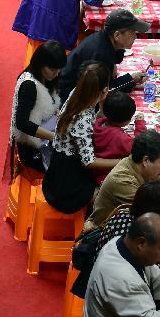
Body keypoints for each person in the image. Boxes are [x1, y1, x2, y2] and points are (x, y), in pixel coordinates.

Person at [72, 181, 160, 299]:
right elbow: (153, 285)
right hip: (110, 295)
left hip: (98, 285)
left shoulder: (123, 215)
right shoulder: (138, 241)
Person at [85, 130, 160, 229]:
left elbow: (159, 185)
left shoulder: (135, 165)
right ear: (146, 160)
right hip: (103, 232)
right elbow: (151, 212)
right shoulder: (122, 181)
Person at [42, 63, 115, 213]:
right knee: (112, 193)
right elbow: (89, 162)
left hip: (55, 173)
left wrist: (101, 107)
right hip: (66, 190)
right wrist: (122, 161)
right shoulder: (82, 119)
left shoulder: (77, 94)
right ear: (105, 90)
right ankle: (90, 226)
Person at [59, 9, 151, 102]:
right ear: (117, 35)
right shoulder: (101, 54)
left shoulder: (105, 39)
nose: (135, 36)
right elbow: (105, 92)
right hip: (70, 99)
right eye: (132, 32)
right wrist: (130, 79)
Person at [10, 40, 67, 172]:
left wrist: (56, 111)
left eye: (59, 69)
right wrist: (53, 137)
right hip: (32, 143)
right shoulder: (29, 85)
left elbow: (48, 99)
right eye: (53, 69)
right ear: (41, 64)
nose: (57, 74)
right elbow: (22, 123)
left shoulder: (45, 77)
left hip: (44, 131)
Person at [92, 92, 141, 182]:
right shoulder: (120, 138)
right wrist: (140, 125)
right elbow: (139, 147)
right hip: (109, 176)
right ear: (127, 120)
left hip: (95, 172)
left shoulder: (98, 123)